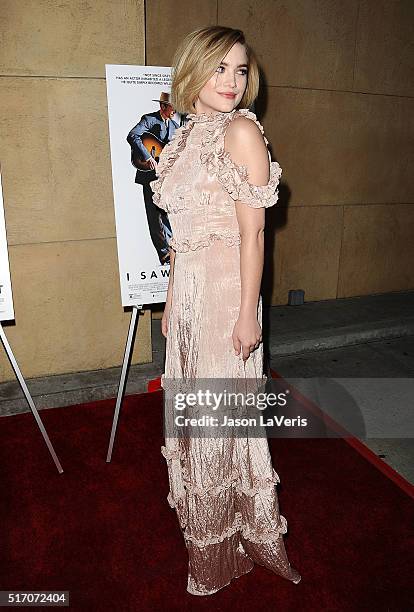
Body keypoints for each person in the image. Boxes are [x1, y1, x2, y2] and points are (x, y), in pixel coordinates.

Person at [150, 26, 301, 596]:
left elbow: (253, 233)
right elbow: (180, 235)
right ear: (194, 69)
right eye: (220, 69)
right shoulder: (186, 134)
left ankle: (235, 537)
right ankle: (214, 528)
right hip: (187, 295)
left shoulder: (241, 132)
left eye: (240, 70)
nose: (233, 82)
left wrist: (247, 313)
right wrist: (170, 301)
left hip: (223, 295)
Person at [127, 93, 180, 265]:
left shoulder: (175, 126)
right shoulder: (149, 119)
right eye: (172, 107)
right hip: (148, 174)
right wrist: (147, 156)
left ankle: (172, 249)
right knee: (154, 214)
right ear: (163, 107)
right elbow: (133, 135)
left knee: (166, 212)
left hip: (166, 176)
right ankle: (163, 253)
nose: (175, 110)